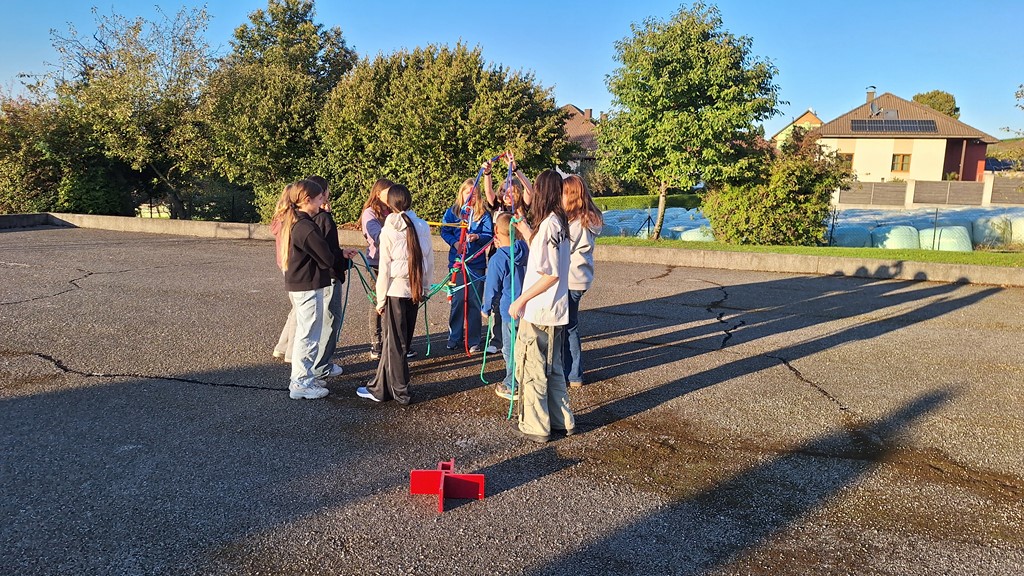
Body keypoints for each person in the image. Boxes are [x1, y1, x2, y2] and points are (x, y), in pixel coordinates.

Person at [507, 169, 573, 443]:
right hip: (555, 310)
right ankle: (561, 420)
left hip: (539, 310)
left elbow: (550, 273)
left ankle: (536, 426)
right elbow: (544, 255)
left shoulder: (548, 225)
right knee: (553, 367)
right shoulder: (559, 222)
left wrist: (521, 300)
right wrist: (524, 228)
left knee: (532, 368)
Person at [358, 184, 434, 405]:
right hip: (414, 290)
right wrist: (426, 288)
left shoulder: (389, 230)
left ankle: (400, 391)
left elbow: (385, 269)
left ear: (389, 204)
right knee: (400, 342)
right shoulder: (422, 226)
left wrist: (380, 300)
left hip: (395, 292)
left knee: (396, 344)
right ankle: (381, 386)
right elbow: (428, 261)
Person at [274, 179, 336, 400]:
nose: (322, 202)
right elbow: (326, 257)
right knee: (309, 335)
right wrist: (337, 258)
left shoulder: (293, 221)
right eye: (319, 199)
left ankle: (303, 378)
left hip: (301, 283)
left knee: (305, 332)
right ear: (307, 200)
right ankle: (301, 382)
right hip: (308, 285)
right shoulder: (305, 226)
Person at [308, 175, 360, 382]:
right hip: (328, 276)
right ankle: (321, 366)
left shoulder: (303, 218)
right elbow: (328, 252)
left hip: (312, 276)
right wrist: (342, 261)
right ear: (323, 194)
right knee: (330, 319)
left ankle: (313, 363)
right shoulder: (324, 219)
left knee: (314, 321)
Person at [561, 174, 604, 389]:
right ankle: (573, 373)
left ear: (570, 196)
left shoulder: (576, 224)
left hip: (571, 279)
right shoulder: (589, 219)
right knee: (571, 325)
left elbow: (562, 249)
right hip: (581, 278)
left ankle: (573, 373)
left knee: (568, 327)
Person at [441, 178, 493, 353]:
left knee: (473, 301)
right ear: (461, 193)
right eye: (467, 193)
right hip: (457, 263)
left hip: (476, 264)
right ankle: (454, 336)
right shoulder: (453, 212)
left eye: (474, 194)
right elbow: (444, 230)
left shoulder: (483, 214)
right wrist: (455, 242)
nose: (470, 196)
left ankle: (473, 338)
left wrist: (477, 237)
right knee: (457, 300)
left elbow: (489, 235)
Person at [481, 213, 528, 400]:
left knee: (510, 349)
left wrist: (486, 308)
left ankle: (512, 385)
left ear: (495, 231)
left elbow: (491, 288)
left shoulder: (497, 259)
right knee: (526, 347)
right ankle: (526, 380)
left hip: (509, 311)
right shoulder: (525, 248)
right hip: (527, 308)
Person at [359, 178, 394, 360]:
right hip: (376, 264)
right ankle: (376, 343)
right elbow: (376, 235)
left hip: (393, 263)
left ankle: (392, 342)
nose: (392, 196)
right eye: (388, 192)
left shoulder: (393, 211)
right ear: (378, 193)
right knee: (377, 302)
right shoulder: (370, 213)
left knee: (393, 302)